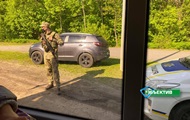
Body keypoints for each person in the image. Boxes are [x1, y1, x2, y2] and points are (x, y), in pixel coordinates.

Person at [40, 21, 64, 95]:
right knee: (48, 70)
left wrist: (53, 39)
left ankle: (58, 87)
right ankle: (50, 83)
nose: (42, 27)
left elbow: (61, 43)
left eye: (43, 26)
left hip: (53, 55)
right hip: (46, 54)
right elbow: (42, 44)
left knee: (55, 71)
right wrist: (43, 43)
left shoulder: (55, 34)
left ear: (47, 26)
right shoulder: (43, 35)